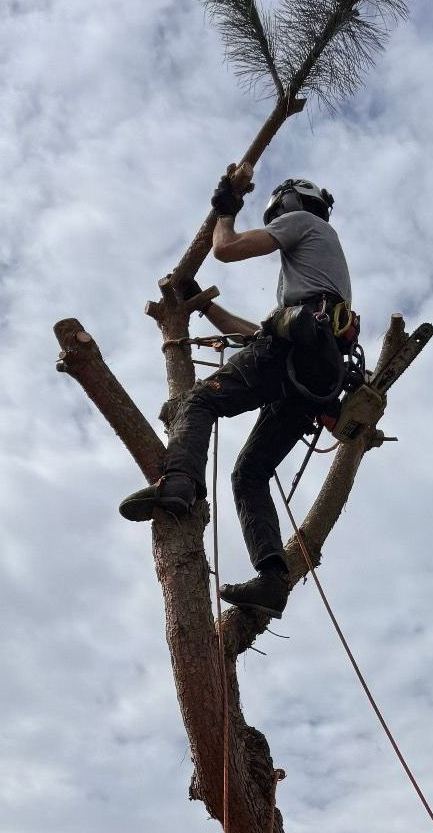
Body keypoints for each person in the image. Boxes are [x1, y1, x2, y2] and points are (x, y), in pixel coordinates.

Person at [118, 171, 353, 620]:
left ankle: (179, 484)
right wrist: (204, 305)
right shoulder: (322, 280)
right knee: (249, 474)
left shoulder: (304, 224)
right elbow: (255, 334)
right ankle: (272, 581)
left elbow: (225, 249)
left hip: (294, 352)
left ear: (288, 206)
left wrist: (226, 211)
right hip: (317, 373)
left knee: (197, 401)